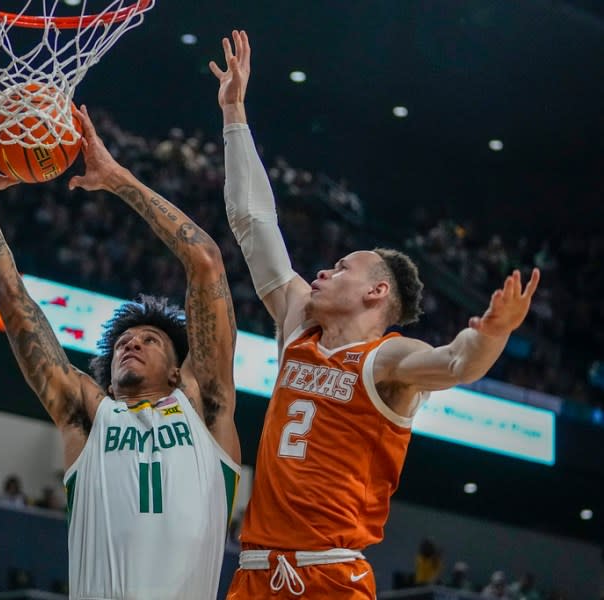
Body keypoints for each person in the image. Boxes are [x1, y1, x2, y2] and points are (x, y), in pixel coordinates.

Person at [210, 30, 541, 598]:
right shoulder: (297, 325)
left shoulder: (387, 359)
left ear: (376, 293)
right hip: (254, 571)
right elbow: (251, 221)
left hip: (330, 574)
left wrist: (494, 333)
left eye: (341, 267)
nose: (321, 272)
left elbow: (458, 363)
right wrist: (235, 114)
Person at [0, 105, 241, 600]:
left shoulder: (205, 409)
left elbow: (206, 263)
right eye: (121, 345)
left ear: (178, 371)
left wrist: (116, 178)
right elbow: (13, 299)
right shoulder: (88, 418)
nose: (130, 343)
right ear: (108, 380)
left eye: (148, 341)